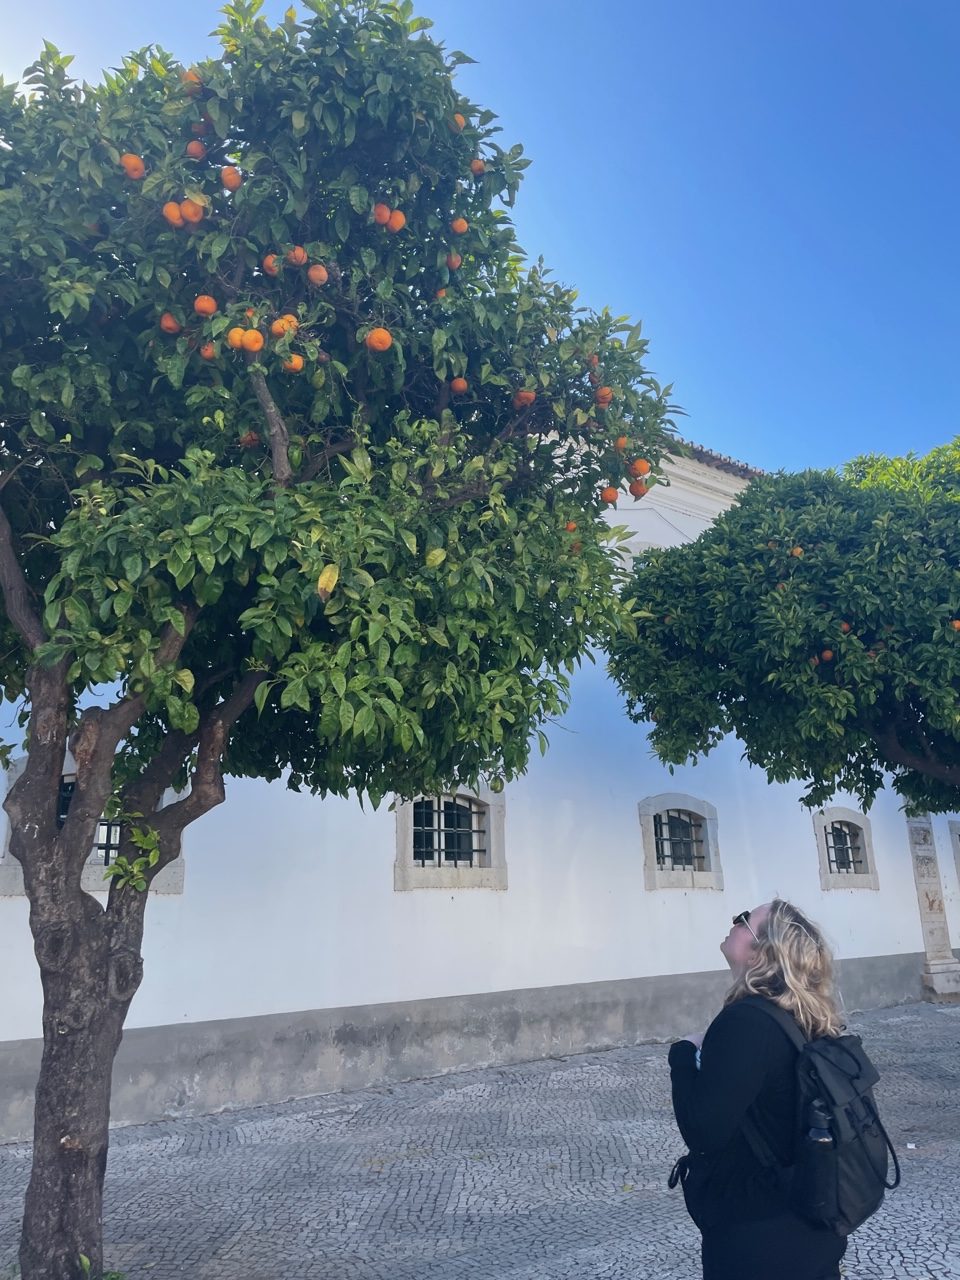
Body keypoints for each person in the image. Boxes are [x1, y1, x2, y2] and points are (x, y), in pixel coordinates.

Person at [668, 899, 847, 1280]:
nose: (734, 921)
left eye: (743, 919)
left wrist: (682, 1055)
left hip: (759, 1233)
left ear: (760, 951)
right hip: (810, 1217)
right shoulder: (803, 1014)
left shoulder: (746, 1022)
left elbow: (702, 1131)